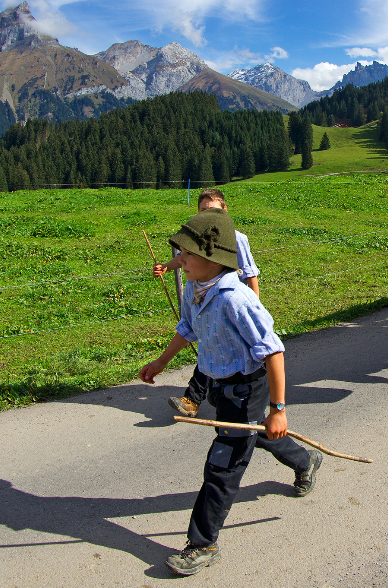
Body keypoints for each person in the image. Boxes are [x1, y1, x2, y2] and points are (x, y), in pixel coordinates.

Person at [139, 208, 322, 576]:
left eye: (187, 254)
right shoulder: (195, 288)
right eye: (180, 253)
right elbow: (187, 328)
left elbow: (273, 352)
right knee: (253, 433)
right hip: (220, 387)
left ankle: (202, 544)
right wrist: (160, 362)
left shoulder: (236, 299)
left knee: (222, 464)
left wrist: (279, 409)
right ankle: (305, 461)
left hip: (247, 387)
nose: (180, 260)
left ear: (212, 259)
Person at [154, 188, 260, 418]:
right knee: (211, 348)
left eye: (212, 210)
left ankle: (199, 398)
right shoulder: (196, 237)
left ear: (225, 210)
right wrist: (166, 267)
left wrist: (255, 305)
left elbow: (250, 273)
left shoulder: (237, 239)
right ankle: (210, 397)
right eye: (202, 210)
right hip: (200, 301)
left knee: (216, 349)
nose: (207, 214)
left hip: (226, 305)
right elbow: (182, 258)